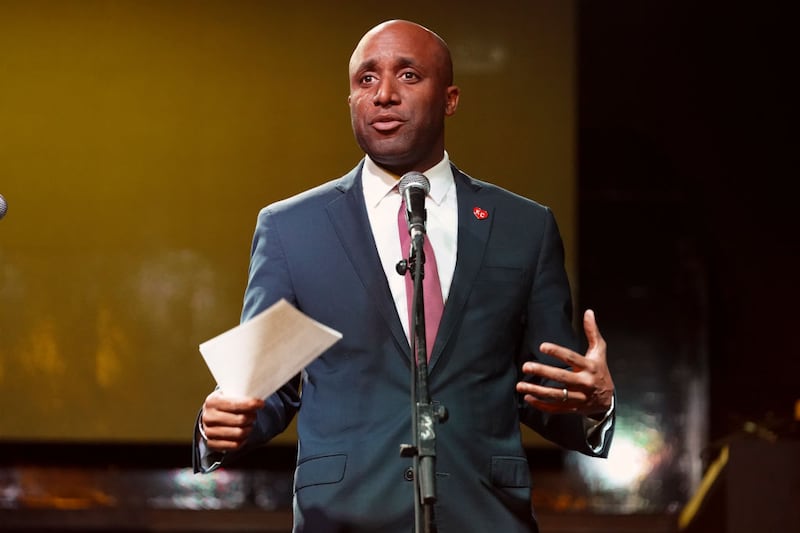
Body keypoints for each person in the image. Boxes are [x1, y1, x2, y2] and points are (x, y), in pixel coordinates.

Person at [193, 19, 615, 532]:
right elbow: (261, 392)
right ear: (351, 99)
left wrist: (594, 406)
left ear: (451, 98)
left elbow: (547, 389)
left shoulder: (522, 227)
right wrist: (219, 423)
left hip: (484, 517)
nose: (384, 95)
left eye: (409, 76)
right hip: (345, 517)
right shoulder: (292, 229)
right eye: (366, 80)